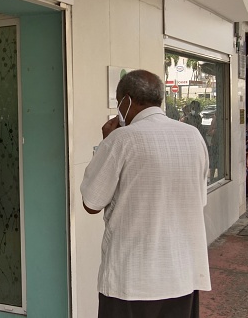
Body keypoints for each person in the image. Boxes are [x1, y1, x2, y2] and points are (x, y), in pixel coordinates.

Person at [80, 70, 210, 317]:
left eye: (119, 103)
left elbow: (91, 202)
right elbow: (198, 199)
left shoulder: (121, 139)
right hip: (182, 273)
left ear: (126, 101)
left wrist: (106, 142)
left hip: (131, 279)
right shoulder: (193, 136)